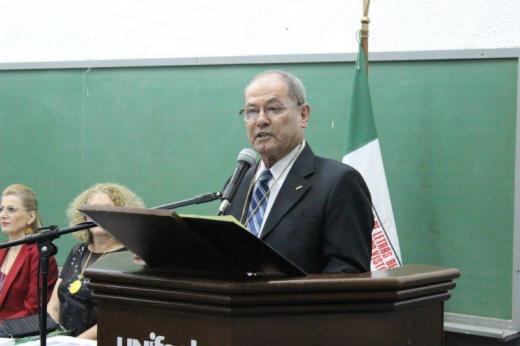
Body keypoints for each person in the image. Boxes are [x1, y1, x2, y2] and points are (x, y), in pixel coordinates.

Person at [225, 70, 373, 274]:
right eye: (251, 111)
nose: (260, 120)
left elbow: (347, 272)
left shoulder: (339, 182)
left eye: (273, 108)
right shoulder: (239, 183)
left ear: (303, 115)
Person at [47, 183, 144, 339]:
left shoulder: (128, 257)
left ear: (122, 215)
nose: (97, 214)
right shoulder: (77, 251)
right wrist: (53, 338)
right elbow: (54, 306)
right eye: (92, 209)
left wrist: (75, 343)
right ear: (83, 216)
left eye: (106, 208)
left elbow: (117, 317)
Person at [0, 184, 58, 319]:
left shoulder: (39, 254)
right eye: (1, 209)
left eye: (11, 210)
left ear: (30, 217)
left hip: (15, 334)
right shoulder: (2, 250)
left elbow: (33, 311)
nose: (3, 215)